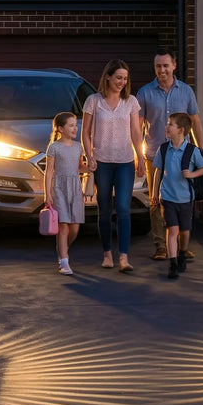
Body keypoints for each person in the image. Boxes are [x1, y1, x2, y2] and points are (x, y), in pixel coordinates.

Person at [137, 47, 203, 260]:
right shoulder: (145, 93)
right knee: (156, 200)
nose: (162, 70)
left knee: (183, 199)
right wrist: (137, 155)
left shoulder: (186, 91)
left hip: (183, 155)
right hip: (155, 155)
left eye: (166, 65)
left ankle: (181, 245)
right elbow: (137, 127)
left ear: (174, 66)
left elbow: (195, 123)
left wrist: (201, 150)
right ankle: (160, 246)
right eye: (158, 66)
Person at [82, 59, 145, 273]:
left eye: (125, 79)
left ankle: (124, 258)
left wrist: (141, 157)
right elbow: (85, 133)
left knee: (124, 209)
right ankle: (107, 254)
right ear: (107, 76)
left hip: (125, 161)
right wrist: (89, 156)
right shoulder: (93, 101)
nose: (122, 82)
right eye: (118, 77)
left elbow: (136, 133)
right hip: (101, 162)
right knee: (105, 209)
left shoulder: (131, 102)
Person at [150, 113, 203, 280]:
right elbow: (158, 171)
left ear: (181, 130)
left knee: (185, 230)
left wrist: (191, 175)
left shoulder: (191, 151)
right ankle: (173, 263)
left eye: (170, 125)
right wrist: (155, 193)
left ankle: (182, 253)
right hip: (167, 197)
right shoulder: (163, 149)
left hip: (185, 198)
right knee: (172, 229)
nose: (167, 127)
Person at [44, 112, 86, 275]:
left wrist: (90, 168)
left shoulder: (78, 146)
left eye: (76, 125)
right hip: (59, 189)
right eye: (71, 125)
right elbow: (49, 172)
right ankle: (64, 261)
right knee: (63, 226)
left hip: (75, 188)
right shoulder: (54, 147)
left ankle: (62, 248)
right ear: (60, 129)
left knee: (74, 227)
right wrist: (47, 194)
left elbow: (80, 167)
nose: (75, 128)